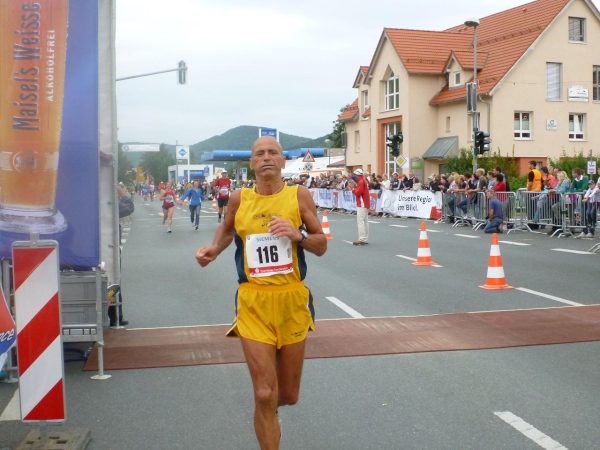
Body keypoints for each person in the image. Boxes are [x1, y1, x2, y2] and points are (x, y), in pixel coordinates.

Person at [195, 136, 327, 450]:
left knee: (287, 395)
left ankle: (269, 413)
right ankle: (266, 416)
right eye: (259, 153)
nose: (266, 157)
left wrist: (298, 236)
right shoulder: (239, 198)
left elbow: (321, 244)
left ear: (282, 161)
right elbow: (228, 229)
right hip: (253, 300)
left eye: (273, 152)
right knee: (264, 394)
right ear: (252, 163)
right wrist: (213, 250)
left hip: (292, 299)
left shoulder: (299, 195)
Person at [348, 168, 370, 245]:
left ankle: (362, 238)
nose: (355, 176)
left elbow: (358, 193)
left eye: (355, 175)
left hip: (362, 203)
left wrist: (352, 189)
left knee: (361, 221)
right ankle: (365, 238)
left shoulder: (361, 182)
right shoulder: (364, 181)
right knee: (365, 221)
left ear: (357, 175)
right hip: (365, 203)